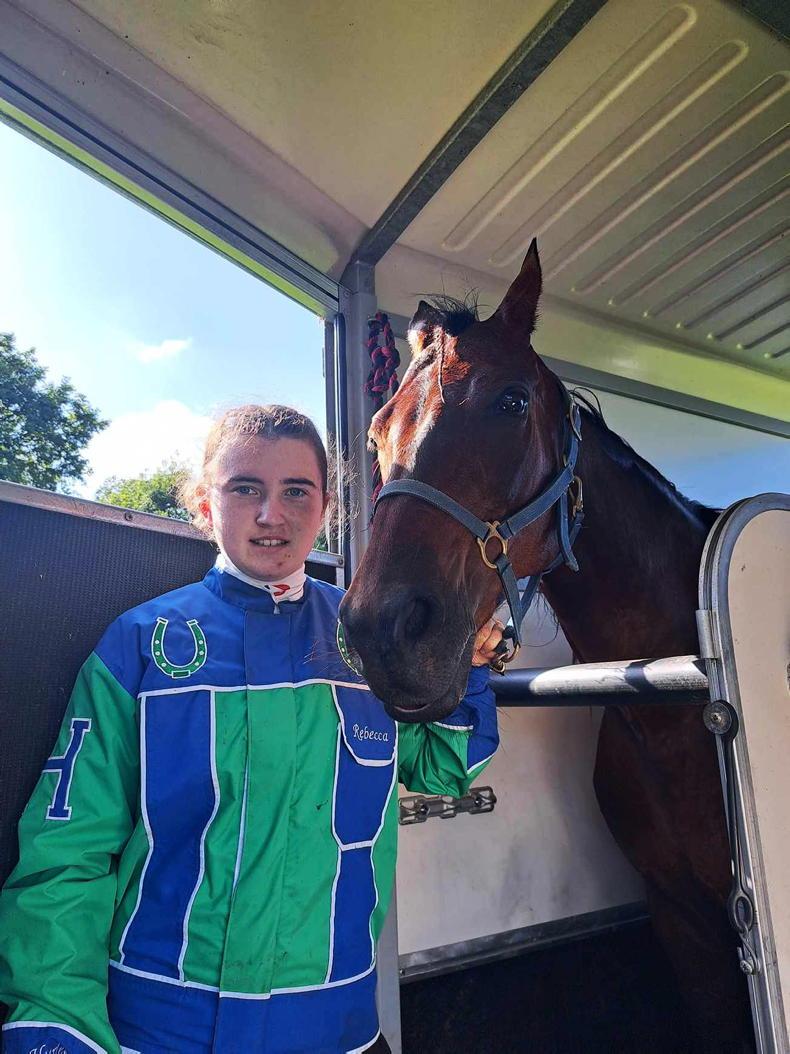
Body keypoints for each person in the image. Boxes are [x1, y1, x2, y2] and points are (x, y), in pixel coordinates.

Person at [0, 404, 501, 1054]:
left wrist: (471, 666)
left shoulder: (371, 640)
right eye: (245, 489)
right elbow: (66, 857)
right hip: (155, 1035)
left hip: (339, 1034)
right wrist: (57, 1031)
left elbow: (444, 765)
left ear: (325, 508)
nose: (272, 514)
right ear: (204, 504)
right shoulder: (138, 646)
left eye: (297, 491)